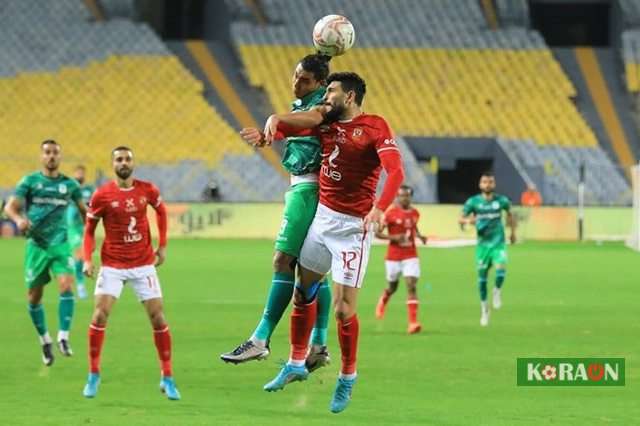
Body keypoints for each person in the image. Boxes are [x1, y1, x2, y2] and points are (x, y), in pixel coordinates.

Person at [241, 71, 405, 413]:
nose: (325, 95)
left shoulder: (374, 126)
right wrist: (268, 132)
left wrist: (380, 208)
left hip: (353, 229)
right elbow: (293, 127)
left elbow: (396, 172)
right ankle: (296, 362)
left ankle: (348, 375)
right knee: (304, 290)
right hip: (322, 220)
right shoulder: (324, 121)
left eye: (330, 91)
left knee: (344, 310)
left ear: (349, 97)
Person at [221, 54, 333, 371]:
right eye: (295, 75)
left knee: (282, 260)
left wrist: (275, 120)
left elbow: (312, 121)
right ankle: (320, 345)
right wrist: (268, 135)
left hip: (309, 189)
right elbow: (295, 129)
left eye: (305, 79)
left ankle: (260, 340)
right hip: (302, 187)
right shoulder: (301, 106)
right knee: (311, 269)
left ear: (320, 83)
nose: (296, 82)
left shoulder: (322, 105)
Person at [81, 146, 179, 400]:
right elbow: (89, 229)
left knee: (158, 319)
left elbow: (161, 211)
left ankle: (167, 377)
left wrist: (163, 245)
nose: (123, 162)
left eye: (127, 159)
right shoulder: (102, 195)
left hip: (143, 263)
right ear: (113, 164)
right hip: (112, 265)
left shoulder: (147, 189)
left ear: (133, 163)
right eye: (119, 159)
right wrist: (86, 258)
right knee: (100, 315)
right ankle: (93, 374)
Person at [3, 140, 86, 365]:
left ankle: (63, 337)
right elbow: (9, 207)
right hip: (36, 246)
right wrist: (19, 219)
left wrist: (91, 234)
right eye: (47, 153)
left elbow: (85, 211)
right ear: (41, 156)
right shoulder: (30, 182)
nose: (51, 157)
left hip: (60, 244)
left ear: (60, 157)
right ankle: (45, 340)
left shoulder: (69, 185)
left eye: (55, 153)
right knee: (34, 297)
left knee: (66, 285)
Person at [459, 172, 516, 327]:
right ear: (480, 184)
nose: (487, 185)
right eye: (484, 182)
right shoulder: (473, 202)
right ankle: (484, 308)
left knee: (501, 266)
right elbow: (461, 219)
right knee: (482, 280)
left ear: (494, 184)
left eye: (490, 182)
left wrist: (512, 233)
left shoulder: (501, 201)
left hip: (498, 243)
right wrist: (468, 220)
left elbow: (510, 214)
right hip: (483, 246)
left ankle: (497, 290)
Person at [374, 185, 427, 334]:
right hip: (393, 256)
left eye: (407, 195)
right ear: (397, 196)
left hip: (411, 254)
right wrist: (394, 238)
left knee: (411, 285)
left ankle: (413, 323)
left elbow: (413, 227)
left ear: (411, 196)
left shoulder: (415, 213)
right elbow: (378, 234)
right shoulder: (390, 213)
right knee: (393, 287)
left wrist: (420, 236)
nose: (404, 198)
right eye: (401, 195)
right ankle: (384, 298)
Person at [66, 165, 95, 299]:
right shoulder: (69, 188)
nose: (80, 175)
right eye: (77, 173)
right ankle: (80, 284)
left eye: (82, 173)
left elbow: (93, 205)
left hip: (85, 226)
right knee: (79, 255)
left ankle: (72, 265)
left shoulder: (90, 189)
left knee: (82, 256)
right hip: (73, 226)